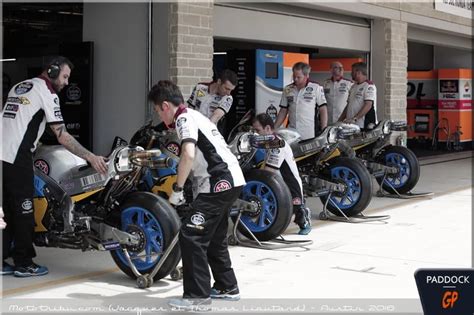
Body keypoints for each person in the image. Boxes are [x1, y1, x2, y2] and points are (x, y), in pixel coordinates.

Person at [1, 56, 108, 277]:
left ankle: (2, 260)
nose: (67, 82)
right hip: (16, 157)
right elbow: (62, 135)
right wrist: (90, 157)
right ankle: (24, 263)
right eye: (65, 76)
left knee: (7, 211)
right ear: (51, 71)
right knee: (23, 212)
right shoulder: (47, 93)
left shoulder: (19, 87)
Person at [148, 80, 246, 311]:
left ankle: (197, 296)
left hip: (218, 183)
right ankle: (226, 286)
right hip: (231, 181)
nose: (159, 117)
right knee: (213, 237)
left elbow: (188, 154)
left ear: (164, 106)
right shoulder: (195, 114)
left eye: (156, 110)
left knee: (192, 235)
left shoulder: (183, 118)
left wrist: (178, 189)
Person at [252, 113, 311, 235]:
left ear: (268, 128)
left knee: (298, 215)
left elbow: (269, 172)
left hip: (291, 186)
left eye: (257, 130)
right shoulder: (270, 142)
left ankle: (304, 215)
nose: (256, 134)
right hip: (278, 183)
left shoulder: (278, 145)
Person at [274, 62, 328, 140]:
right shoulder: (288, 89)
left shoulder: (316, 87)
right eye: (294, 76)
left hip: (309, 133)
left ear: (306, 76)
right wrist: (274, 128)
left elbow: (323, 109)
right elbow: (283, 110)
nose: (295, 79)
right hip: (291, 133)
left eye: (298, 77)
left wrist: (324, 130)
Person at [338, 62, 377, 129]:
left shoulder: (369, 85)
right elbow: (348, 106)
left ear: (358, 72)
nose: (351, 74)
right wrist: (339, 120)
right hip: (351, 125)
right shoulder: (353, 86)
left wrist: (355, 118)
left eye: (352, 71)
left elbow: (368, 105)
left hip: (364, 125)